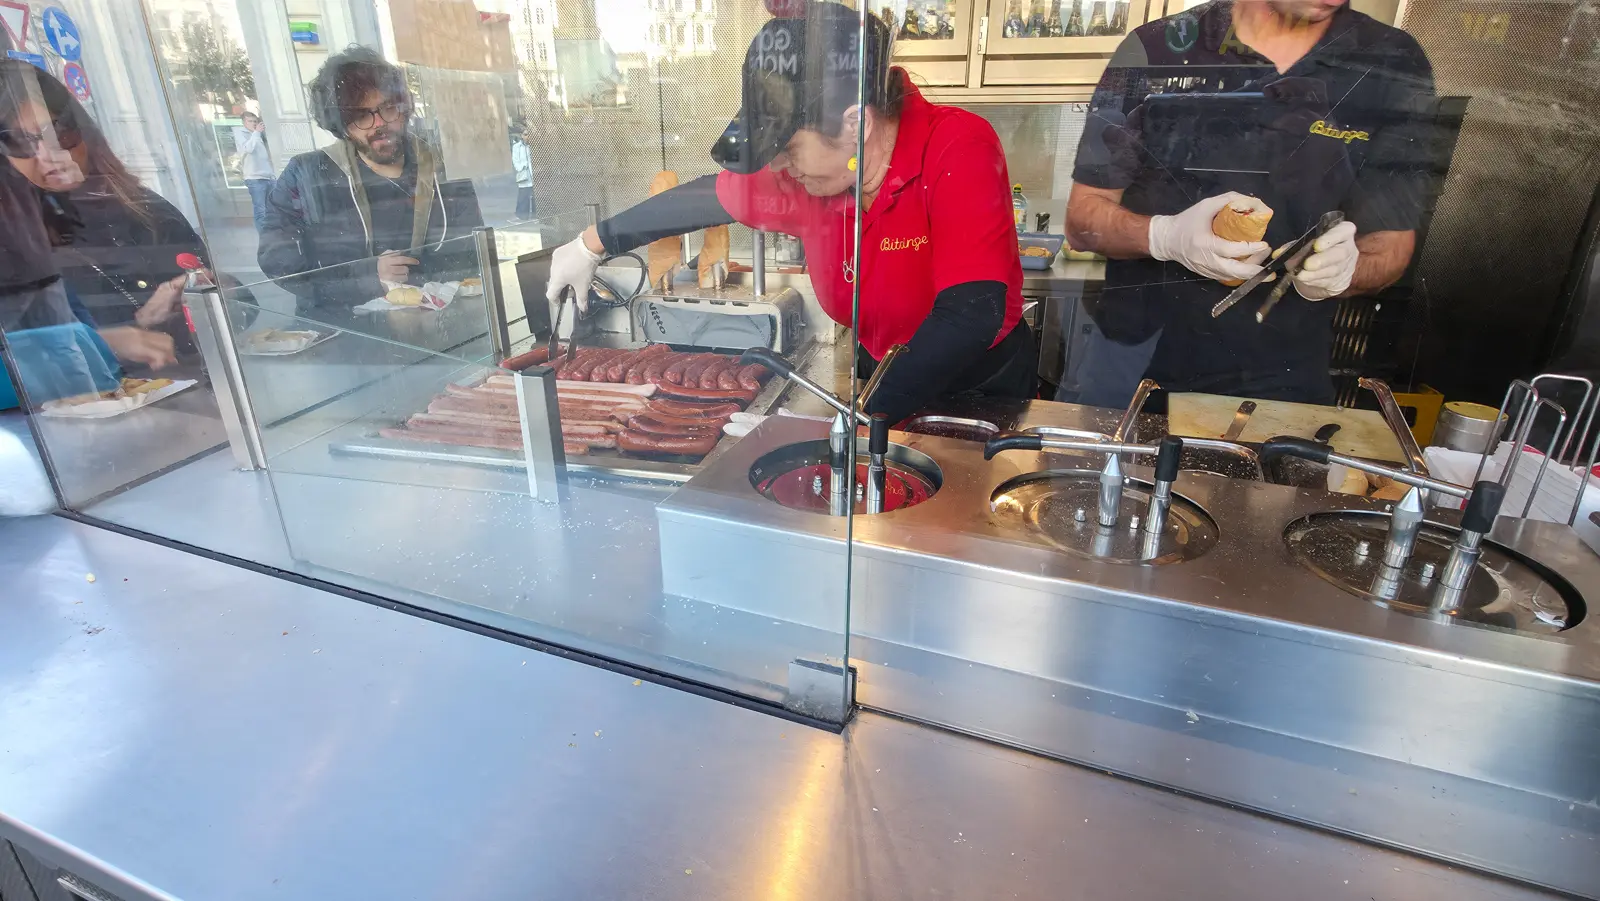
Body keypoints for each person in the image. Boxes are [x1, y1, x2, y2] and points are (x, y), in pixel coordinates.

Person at [547, 2, 1033, 423]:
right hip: (880, 375)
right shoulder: (811, 177)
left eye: (787, 146)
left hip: (978, 392)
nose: (778, 165)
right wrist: (592, 243)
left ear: (855, 124)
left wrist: (863, 418)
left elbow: (970, 315)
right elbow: (707, 198)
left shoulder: (956, 146)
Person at [1064, 0, 1436, 406]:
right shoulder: (1159, 50)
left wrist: (1343, 272)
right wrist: (1164, 236)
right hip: (1134, 360)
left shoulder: (1390, 63)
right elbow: (1083, 218)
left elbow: (1393, 245)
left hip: (1283, 376)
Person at [0, 60, 199, 372]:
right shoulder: (13, 239)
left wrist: (209, 293)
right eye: (19, 141)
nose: (47, 154)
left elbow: (242, 306)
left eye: (57, 132)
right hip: (79, 412)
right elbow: (15, 357)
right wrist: (104, 341)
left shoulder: (139, 204)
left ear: (81, 129)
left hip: (183, 394)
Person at [258, 46, 483, 311]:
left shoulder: (440, 168)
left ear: (405, 109)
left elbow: (471, 252)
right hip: (343, 332)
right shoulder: (307, 175)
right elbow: (280, 264)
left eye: (388, 108)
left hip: (435, 321)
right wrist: (367, 276)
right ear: (340, 125)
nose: (379, 124)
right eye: (361, 115)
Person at [233, 111, 274, 232]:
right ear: (244, 123)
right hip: (254, 178)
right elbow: (248, 148)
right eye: (250, 121)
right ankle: (264, 236)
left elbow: (264, 156)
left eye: (255, 121)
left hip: (268, 176)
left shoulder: (258, 135)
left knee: (273, 207)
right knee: (260, 209)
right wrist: (256, 133)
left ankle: (272, 232)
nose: (253, 124)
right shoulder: (242, 134)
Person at [511, 126, 535, 220]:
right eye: (525, 134)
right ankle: (521, 215)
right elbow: (515, 160)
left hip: (534, 174)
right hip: (524, 173)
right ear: (521, 135)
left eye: (529, 134)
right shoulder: (517, 147)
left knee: (535, 196)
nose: (527, 137)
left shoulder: (533, 146)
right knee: (523, 195)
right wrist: (521, 167)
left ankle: (535, 216)